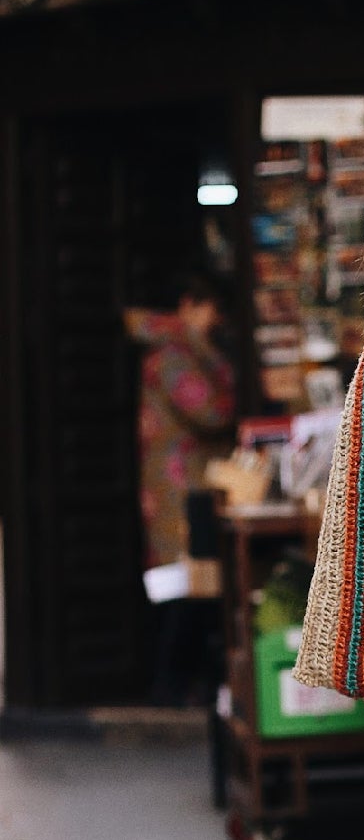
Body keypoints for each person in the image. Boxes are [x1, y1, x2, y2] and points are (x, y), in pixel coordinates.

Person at [126, 273, 236, 703]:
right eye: (213, 311)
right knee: (183, 586)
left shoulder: (181, 349)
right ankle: (170, 686)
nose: (217, 322)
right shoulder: (174, 353)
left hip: (185, 484)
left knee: (189, 586)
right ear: (191, 304)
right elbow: (209, 410)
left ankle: (179, 682)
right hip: (179, 487)